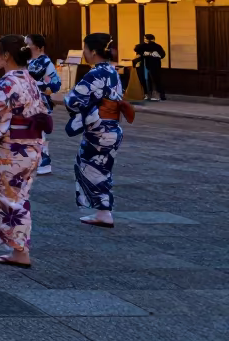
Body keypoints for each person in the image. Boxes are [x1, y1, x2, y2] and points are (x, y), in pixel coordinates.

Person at [0, 35, 52, 268]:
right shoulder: (29, 79)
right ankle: (17, 249)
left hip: (13, 149)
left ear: (5, 56)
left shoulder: (9, 82)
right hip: (32, 146)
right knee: (19, 196)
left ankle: (20, 251)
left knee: (9, 199)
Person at [60, 33, 125, 228]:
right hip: (111, 127)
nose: (84, 53)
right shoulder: (112, 71)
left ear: (94, 51)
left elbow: (73, 101)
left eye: (85, 49)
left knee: (90, 168)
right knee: (101, 170)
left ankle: (104, 212)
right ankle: (103, 212)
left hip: (99, 129)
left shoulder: (95, 73)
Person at [25, 34, 61, 176]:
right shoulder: (28, 61)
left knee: (39, 133)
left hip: (40, 102)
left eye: (29, 43)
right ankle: (36, 161)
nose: (26, 46)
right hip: (27, 101)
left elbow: (55, 84)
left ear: (38, 46)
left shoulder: (46, 62)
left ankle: (44, 162)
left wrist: (39, 86)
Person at [134, 34, 167, 101]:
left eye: (145, 39)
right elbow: (136, 49)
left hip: (151, 65)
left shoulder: (155, 46)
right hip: (149, 65)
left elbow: (162, 55)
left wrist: (149, 53)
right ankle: (151, 94)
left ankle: (153, 95)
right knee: (151, 80)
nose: (145, 40)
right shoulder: (155, 46)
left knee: (153, 80)